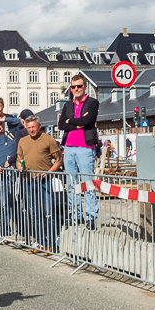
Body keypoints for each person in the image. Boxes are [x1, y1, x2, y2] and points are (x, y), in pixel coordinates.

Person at [56, 73, 100, 228]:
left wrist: (71, 121)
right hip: (68, 147)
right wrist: (77, 123)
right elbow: (61, 124)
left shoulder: (92, 103)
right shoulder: (68, 105)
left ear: (85, 87)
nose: (76, 89)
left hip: (85, 147)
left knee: (87, 183)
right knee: (71, 184)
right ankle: (76, 215)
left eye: (79, 86)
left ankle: (91, 217)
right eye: (73, 87)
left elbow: (88, 121)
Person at [16, 116, 62, 252]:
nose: (31, 130)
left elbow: (59, 160)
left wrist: (49, 172)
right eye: (29, 127)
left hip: (44, 181)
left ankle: (52, 244)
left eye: (33, 127)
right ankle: (41, 243)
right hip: (29, 181)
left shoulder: (48, 139)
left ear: (39, 126)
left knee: (48, 214)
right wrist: (19, 166)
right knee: (35, 214)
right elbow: (19, 159)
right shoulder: (22, 141)